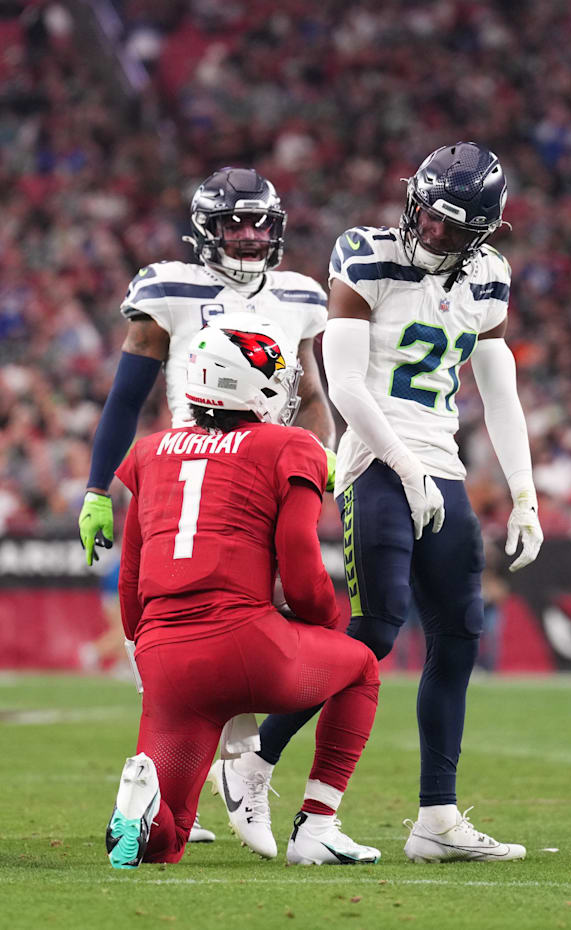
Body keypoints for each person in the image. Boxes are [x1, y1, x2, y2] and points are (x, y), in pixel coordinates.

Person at [211, 142, 543, 863]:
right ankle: (253, 761)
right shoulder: (365, 254)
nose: (430, 234)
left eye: (452, 230)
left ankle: (437, 819)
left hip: (442, 465)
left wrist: (524, 495)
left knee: (459, 636)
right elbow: (347, 383)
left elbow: (500, 391)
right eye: (426, 217)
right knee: (377, 630)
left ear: (482, 233)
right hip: (374, 460)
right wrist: (401, 465)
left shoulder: (487, 275)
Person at [78, 166, 335, 842]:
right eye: (233, 223)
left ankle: (206, 779)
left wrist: (317, 458)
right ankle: (184, 780)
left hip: (265, 481)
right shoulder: (169, 287)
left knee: (250, 633)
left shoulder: (301, 295)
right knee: (177, 626)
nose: (248, 235)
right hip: (190, 479)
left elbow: (311, 396)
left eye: (258, 222)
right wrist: (97, 488)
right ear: (206, 230)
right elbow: (126, 397)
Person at [105, 313, 380, 869]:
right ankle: (318, 827)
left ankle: (144, 810)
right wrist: (318, 623)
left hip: (163, 652)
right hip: (245, 643)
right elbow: (301, 568)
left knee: (169, 842)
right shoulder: (288, 445)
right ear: (250, 385)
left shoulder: (150, 450)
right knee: (361, 666)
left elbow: (131, 576)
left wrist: (141, 650)